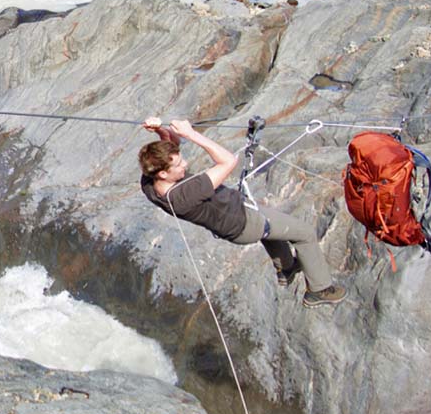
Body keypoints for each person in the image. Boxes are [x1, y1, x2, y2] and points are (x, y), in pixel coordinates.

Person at [138, 116, 346, 308]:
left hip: (235, 216)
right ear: (164, 173)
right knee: (305, 234)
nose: (186, 164)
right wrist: (191, 134)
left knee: (272, 228)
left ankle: (286, 268)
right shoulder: (183, 195)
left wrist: (160, 130)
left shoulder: (150, 182)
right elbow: (228, 161)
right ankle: (319, 290)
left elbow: (170, 146)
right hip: (244, 223)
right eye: (179, 164)